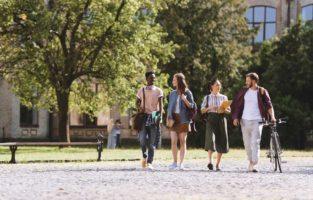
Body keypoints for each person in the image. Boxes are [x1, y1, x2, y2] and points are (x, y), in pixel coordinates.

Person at [232, 72, 276, 172]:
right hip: (244, 120)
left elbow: (269, 105)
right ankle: (251, 162)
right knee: (247, 144)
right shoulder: (243, 91)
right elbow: (238, 105)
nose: (246, 82)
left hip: (257, 120)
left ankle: (254, 163)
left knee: (255, 142)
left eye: (248, 80)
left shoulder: (262, 91)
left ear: (254, 81)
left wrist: (272, 116)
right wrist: (235, 117)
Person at [167, 73, 195, 170]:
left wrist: (185, 100)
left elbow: (192, 106)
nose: (172, 81)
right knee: (173, 141)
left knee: (183, 141)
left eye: (174, 79)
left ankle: (181, 163)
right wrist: (168, 117)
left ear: (179, 81)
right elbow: (169, 107)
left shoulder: (188, 92)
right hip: (173, 119)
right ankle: (174, 162)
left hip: (184, 119)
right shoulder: (172, 93)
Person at [136, 71, 163, 170]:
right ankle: (144, 156)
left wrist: (159, 117)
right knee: (142, 139)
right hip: (143, 115)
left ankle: (150, 162)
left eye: (154, 78)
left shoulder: (158, 91)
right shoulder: (141, 90)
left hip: (154, 115)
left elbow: (161, 105)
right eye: (151, 78)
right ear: (146, 79)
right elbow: (137, 102)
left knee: (152, 141)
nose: (153, 79)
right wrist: (139, 108)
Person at [201, 79, 230, 171]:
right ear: (212, 86)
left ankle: (217, 165)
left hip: (221, 119)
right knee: (210, 139)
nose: (219, 86)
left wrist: (223, 110)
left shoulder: (224, 97)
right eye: (217, 85)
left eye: (219, 85)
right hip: (211, 119)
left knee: (221, 140)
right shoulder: (207, 97)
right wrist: (211, 107)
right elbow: (202, 110)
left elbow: (229, 111)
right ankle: (210, 162)